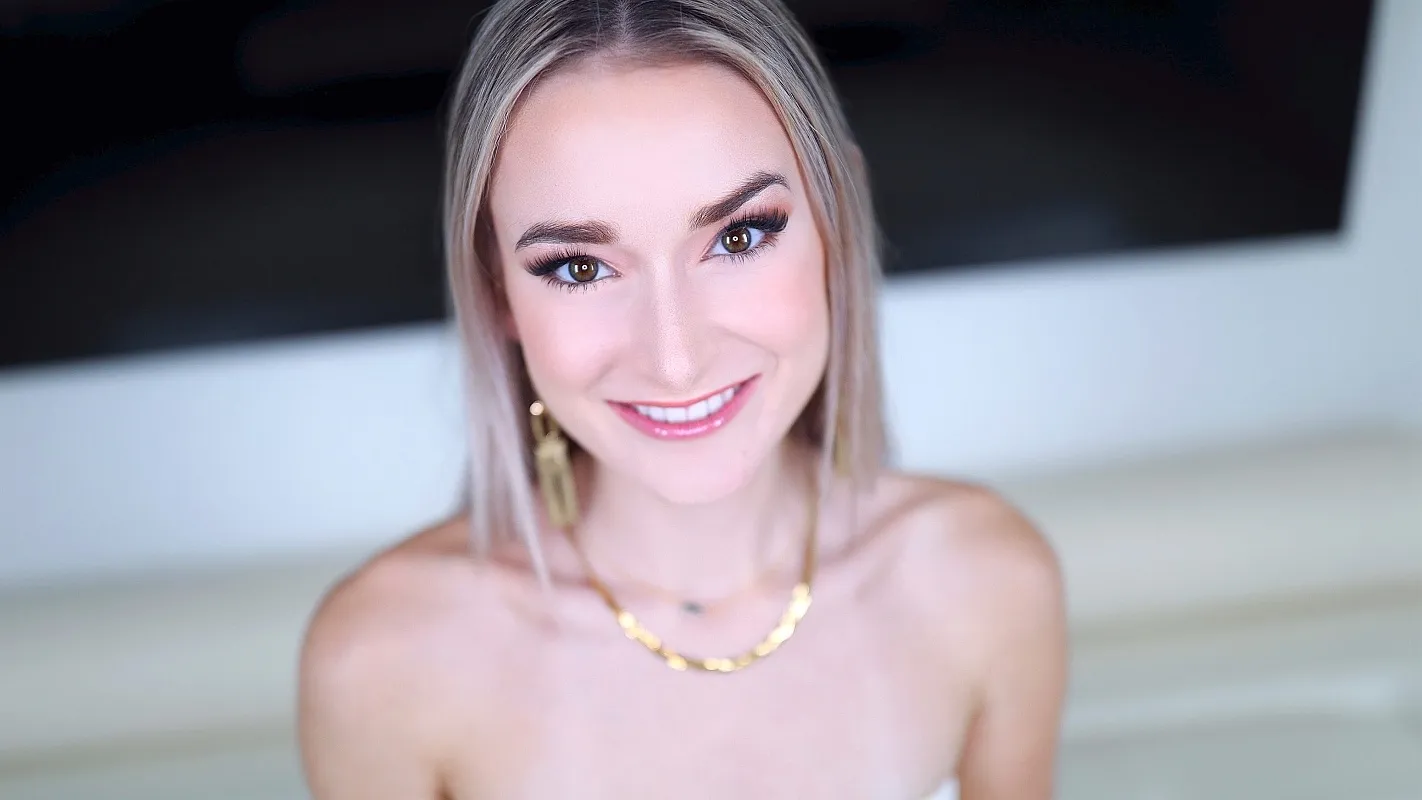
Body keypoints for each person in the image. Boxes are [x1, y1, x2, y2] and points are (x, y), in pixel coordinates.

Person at [297, 0, 1067, 797]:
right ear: (496, 291)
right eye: (579, 267)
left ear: (837, 222)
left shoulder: (986, 582)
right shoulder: (384, 662)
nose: (676, 361)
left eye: (739, 236)